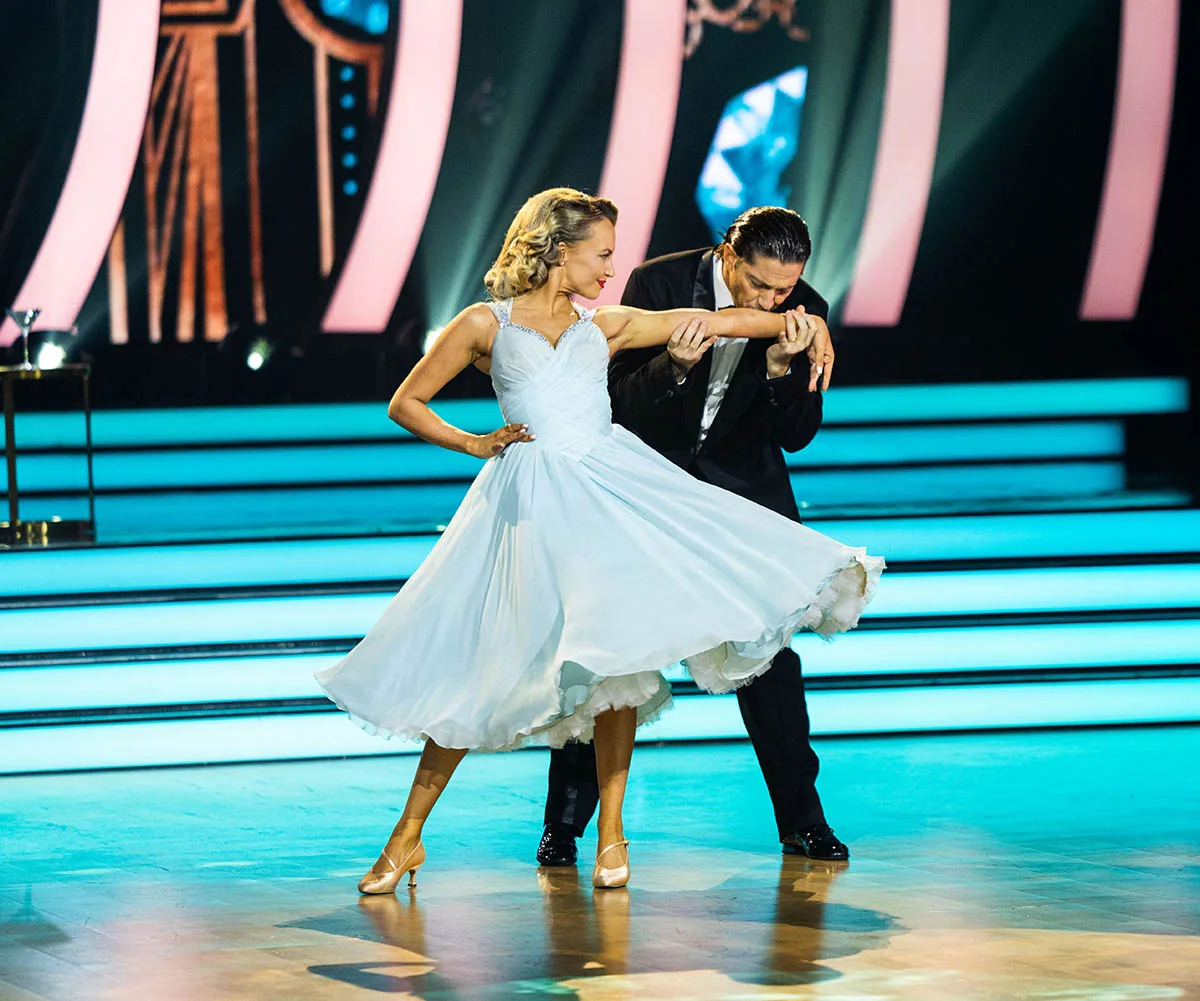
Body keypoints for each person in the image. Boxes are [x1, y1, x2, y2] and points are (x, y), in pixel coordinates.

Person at [316, 189, 882, 895]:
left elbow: (718, 317)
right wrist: (473, 441)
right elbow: (406, 400)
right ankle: (410, 837)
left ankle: (613, 834)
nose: (614, 265)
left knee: (619, 664)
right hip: (526, 505)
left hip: (614, 495)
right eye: (603, 252)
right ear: (558, 249)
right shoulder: (482, 323)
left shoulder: (604, 323)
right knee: (484, 664)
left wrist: (812, 325)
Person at [536, 207, 851, 867]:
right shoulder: (658, 285)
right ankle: (564, 825)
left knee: (768, 661)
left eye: (784, 291)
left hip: (739, 505)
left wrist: (775, 372)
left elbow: (797, 432)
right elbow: (613, 401)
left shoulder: (806, 311)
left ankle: (803, 820)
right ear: (728, 254)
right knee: (607, 654)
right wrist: (672, 369)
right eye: (761, 287)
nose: (772, 302)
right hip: (647, 494)